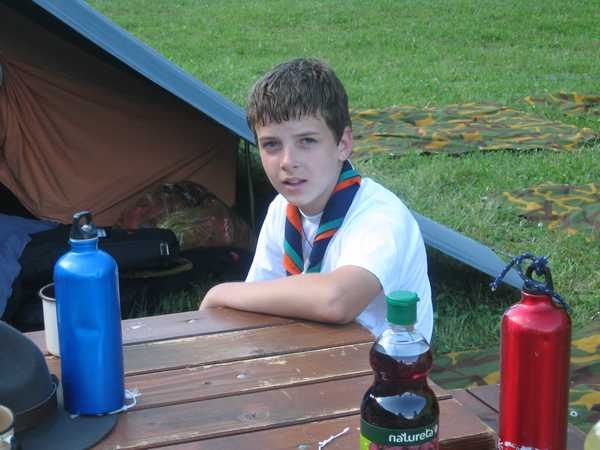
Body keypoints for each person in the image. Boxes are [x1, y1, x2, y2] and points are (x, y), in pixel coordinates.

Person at [200, 58, 433, 340]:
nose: (288, 161)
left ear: (343, 144)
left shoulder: (381, 217)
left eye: (307, 141)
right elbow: (258, 300)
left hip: (384, 363)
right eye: (271, 145)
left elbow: (337, 300)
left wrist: (221, 293)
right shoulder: (282, 210)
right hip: (311, 351)